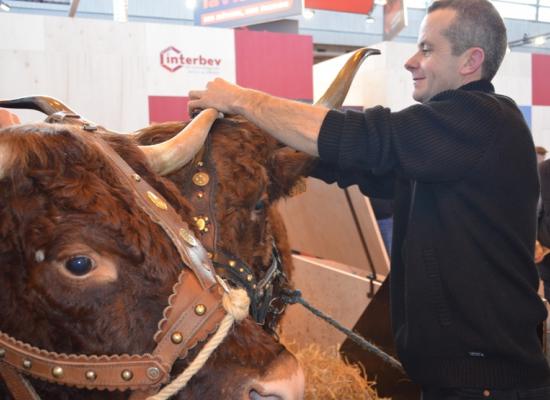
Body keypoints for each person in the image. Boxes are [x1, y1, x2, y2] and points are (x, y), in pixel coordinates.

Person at [188, 0, 550, 397]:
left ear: (470, 61)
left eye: (427, 49)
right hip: (460, 383)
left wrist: (242, 100)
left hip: (487, 386)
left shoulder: (483, 118)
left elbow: (366, 139)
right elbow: (353, 161)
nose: (412, 61)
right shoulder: (445, 146)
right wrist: (246, 143)